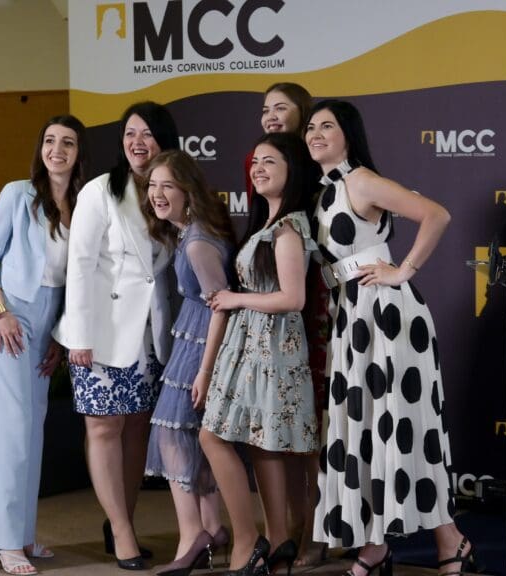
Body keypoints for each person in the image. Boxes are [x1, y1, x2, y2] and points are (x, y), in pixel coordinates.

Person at [306, 100, 478, 576]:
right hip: (351, 318)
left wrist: (403, 271)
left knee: (404, 429)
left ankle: (452, 542)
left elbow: (436, 214)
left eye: (328, 126)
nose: (316, 133)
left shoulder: (360, 180)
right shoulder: (324, 191)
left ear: (348, 136)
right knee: (366, 432)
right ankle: (377, 545)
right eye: (311, 127)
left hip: (386, 317)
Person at [52, 101, 178, 570]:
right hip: (99, 332)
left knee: (136, 432)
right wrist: (79, 336)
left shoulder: (172, 192)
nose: (137, 142)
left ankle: (121, 518)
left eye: (147, 134)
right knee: (103, 428)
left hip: (149, 337)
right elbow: (80, 266)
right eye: (130, 133)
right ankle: (123, 533)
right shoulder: (101, 191)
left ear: (164, 140)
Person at [0, 115, 88, 575]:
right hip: (9, 319)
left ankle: (20, 534)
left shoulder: (82, 202)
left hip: (47, 324)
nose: (57, 150)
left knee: (30, 431)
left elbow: (72, 280)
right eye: (50, 141)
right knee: (10, 433)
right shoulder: (17, 193)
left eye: (68, 143)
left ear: (79, 153)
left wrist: (60, 335)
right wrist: (1, 314)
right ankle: (4, 541)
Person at [196, 132, 320, 576]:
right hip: (253, 347)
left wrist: (235, 299)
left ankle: (252, 540)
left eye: (271, 161)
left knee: (217, 437)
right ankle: (277, 542)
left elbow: (293, 298)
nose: (259, 168)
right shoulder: (269, 226)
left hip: (272, 348)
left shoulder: (287, 229)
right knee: (262, 446)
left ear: (293, 171)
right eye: (255, 162)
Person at [141, 150, 234, 576]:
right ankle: (212, 526)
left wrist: (205, 369)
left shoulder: (196, 241)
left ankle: (191, 534)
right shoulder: (189, 232)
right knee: (189, 436)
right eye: (152, 185)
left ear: (187, 190)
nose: (157, 194)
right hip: (192, 342)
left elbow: (221, 306)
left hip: (201, 346)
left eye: (167, 186)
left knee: (170, 433)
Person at [247, 82, 328, 571]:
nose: (272, 116)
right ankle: (289, 531)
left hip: (319, 309)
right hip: (273, 316)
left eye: (283, 107)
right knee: (287, 431)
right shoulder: (260, 164)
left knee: (314, 432)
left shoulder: (324, 172)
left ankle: (318, 531)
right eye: (265, 109)